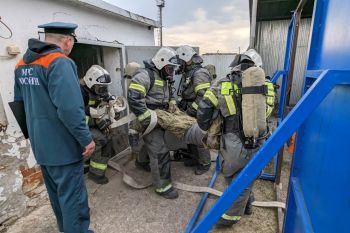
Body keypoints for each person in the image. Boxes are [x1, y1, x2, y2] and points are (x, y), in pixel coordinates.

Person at [13, 22, 95, 233]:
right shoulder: (59, 62)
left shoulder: (22, 64)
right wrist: (86, 139)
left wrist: (34, 137)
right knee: (74, 202)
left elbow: (19, 105)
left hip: (42, 147)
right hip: (64, 147)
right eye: (72, 42)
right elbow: (69, 109)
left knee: (59, 199)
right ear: (67, 40)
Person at [197, 49, 272, 227]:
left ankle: (229, 218)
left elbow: (203, 112)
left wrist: (209, 127)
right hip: (259, 141)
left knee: (235, 178)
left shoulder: (221, 84)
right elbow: (268, 112)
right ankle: (247, 204)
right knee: (248, 174)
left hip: (232, 142)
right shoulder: (266, 85)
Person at [127, 47, 179, 199]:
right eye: (170, 68)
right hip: (149, 117)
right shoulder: (145, 75)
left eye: (173, 69)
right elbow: (134, 98)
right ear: (160, 62)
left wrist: (172, 102)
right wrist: (145, 118)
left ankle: (142, 161)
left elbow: (170, 93)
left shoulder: (165, 77)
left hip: (160, 116)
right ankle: (163, 187)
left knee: (148, 144)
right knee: (160, 151)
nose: (171, 72)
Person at [176, 45, 211, 175]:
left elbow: (203, 97)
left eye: (180, 60)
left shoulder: (199, 73)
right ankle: (194, 158)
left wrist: (191, 111)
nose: (179, 63)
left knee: (199, 138)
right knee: (190, 136)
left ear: (187, 58)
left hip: (198, 111)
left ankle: (205, 163)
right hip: (189, 108)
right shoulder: (189, 72)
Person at [81, 65, 117, 184]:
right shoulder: (80, 93)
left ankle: (88, 164)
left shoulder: (95, 89)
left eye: (104, 88)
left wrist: (110, 100)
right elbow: (77, 119)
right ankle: (96, 174)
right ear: (90, 81)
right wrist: (97, 122)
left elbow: (104, 98)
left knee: (108, 135)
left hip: (91, 124)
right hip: (80, 127)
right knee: (103, 140)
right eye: (100, 88)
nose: (103, 91)